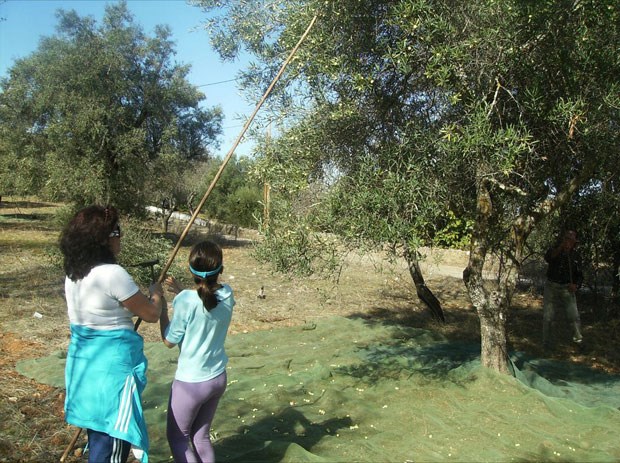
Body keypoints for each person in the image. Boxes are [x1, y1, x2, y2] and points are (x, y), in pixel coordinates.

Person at [60, 205, 165, 463]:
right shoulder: (113, 274)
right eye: (116, 231)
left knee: (99, 438)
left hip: (85, 371)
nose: (120, 237)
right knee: (112, 446)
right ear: (102, 239)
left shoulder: (74, 274)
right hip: (111, 379)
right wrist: (157, 294)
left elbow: (101, 312)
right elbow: (151, 314)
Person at [160, 240, 235, 463]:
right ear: (220, 269)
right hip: (217, 377)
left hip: (191, 383)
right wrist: (180, 292)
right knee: (201, 437)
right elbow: (205, 303)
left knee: (178, 438)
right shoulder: (228, 294)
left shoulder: (186, 301)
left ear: (191, 269)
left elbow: (168, 341)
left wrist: (163, 310)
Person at [542, 229, 584, 349]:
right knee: (548, 316)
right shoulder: (554, 249)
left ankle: (578, 341)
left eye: (571, 239)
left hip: (567, 288)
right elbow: (548, 258)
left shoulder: (576, 256)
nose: (568, 241)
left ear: (574, 242)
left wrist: (576, 285)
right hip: (551, 286)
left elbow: (580, 275)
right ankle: (546, 342)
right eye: (566, 238)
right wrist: (561, 248)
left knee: (573, 316)